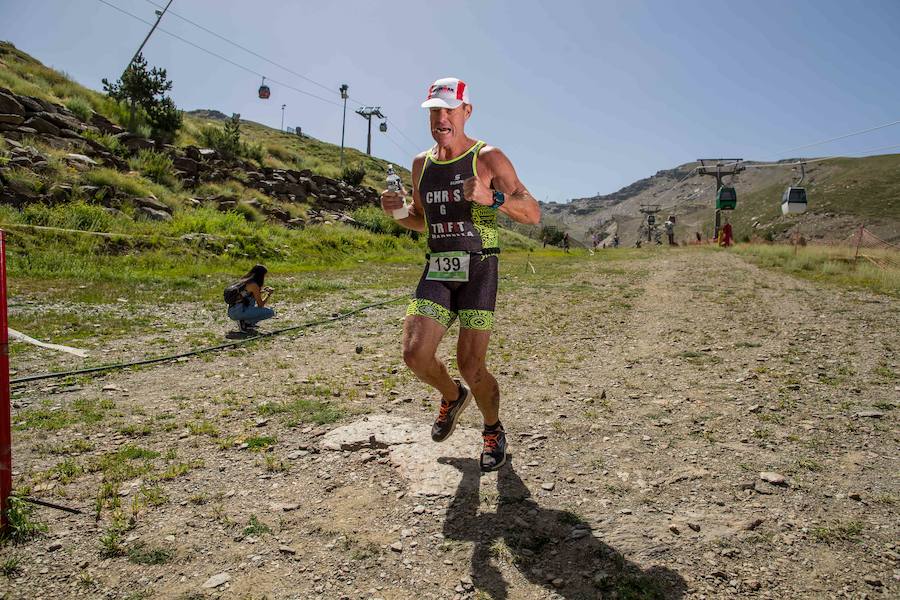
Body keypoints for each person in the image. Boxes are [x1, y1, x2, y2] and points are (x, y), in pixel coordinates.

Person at [380, 77, 540, 472]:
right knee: (415, 354)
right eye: (434, 111)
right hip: (438, 265)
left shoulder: (488, 158)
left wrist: (493, 198)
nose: (442, 118)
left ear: (466, 112)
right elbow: (421, 219)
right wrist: (396, 212)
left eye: (450, 110)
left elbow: (532, 213)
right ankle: (453, 396)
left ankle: (492, 428)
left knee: (471, 365)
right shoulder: (421, 164)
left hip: (479, 269)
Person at [225, 264, 275, 333]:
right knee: (270, 312)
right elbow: (260, 304)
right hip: (238, 312)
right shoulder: (254, 285)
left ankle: (246, 323)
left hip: (232, 311)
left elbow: (246, 295)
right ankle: (245, 322)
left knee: (251, 299)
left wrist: (261, 291)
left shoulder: (244, 281)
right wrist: (268, 294)